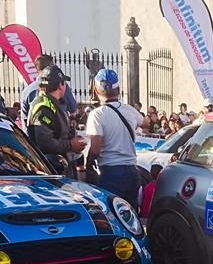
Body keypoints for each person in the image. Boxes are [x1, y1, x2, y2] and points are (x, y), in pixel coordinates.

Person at [85, 69, 144, 208]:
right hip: (132, 171)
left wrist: (88, 162)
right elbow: (145, 122)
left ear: (96, 90)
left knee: (112, 214)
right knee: (130, 215)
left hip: (110, 172)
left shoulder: (97, 114)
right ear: (118, 89)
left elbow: (95, 148)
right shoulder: (129, 110)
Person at [28, 65, 86, 176]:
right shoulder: (44, 107)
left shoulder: (54, 103)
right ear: (60, 85)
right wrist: (70, 145)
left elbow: (59, 132)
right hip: (51, 170)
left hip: (58, 165)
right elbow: (46, 143)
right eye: (65, 83)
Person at [20, 54, 78, 130]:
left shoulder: (26, 91)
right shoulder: (60, 85)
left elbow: (24, 119)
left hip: (31, 137)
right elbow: (73, 108)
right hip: (56, 134)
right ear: (51, 67)